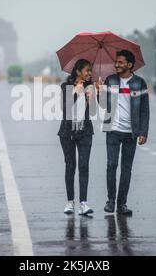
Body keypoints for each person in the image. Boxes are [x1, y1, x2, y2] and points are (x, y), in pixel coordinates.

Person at [96, 49, 150, 216]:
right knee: (111, 166)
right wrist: (99, 92)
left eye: (120, 62)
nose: (116, 65)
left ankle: (122, 204)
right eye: (116, 62)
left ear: (129, 65)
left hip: (131, 132)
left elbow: (144, 110)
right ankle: (110, 201)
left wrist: (143, 132)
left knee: (127, 169)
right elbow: (103, 105)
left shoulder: (139, 83)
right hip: (112, 129)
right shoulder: (110, 80)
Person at [58, 59, 96, 215]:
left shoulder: (90, 87)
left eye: (90, 71)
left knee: (84, 166)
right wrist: (76, 93)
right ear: (78, 71)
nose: (89, 73)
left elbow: (93, 111)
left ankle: (83, 204)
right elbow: (65, 109)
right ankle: (70, 202)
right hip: (67, 132)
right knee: (70, 166)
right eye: (87, 70)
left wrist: (94, 95)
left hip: (85, 131)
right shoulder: (65, 86)